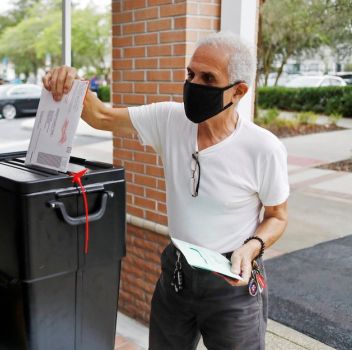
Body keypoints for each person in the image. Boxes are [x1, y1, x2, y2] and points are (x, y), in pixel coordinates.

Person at [43, 32, 289, 350]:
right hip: (177, 274)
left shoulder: (263, 148)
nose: (194, 84)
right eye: (190, 74)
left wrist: (252, 246)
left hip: (232, 284)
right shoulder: (170, 120)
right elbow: (100, 116)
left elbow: (278, 216)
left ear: (238, 91)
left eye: (208, 78)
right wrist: (71, 81)